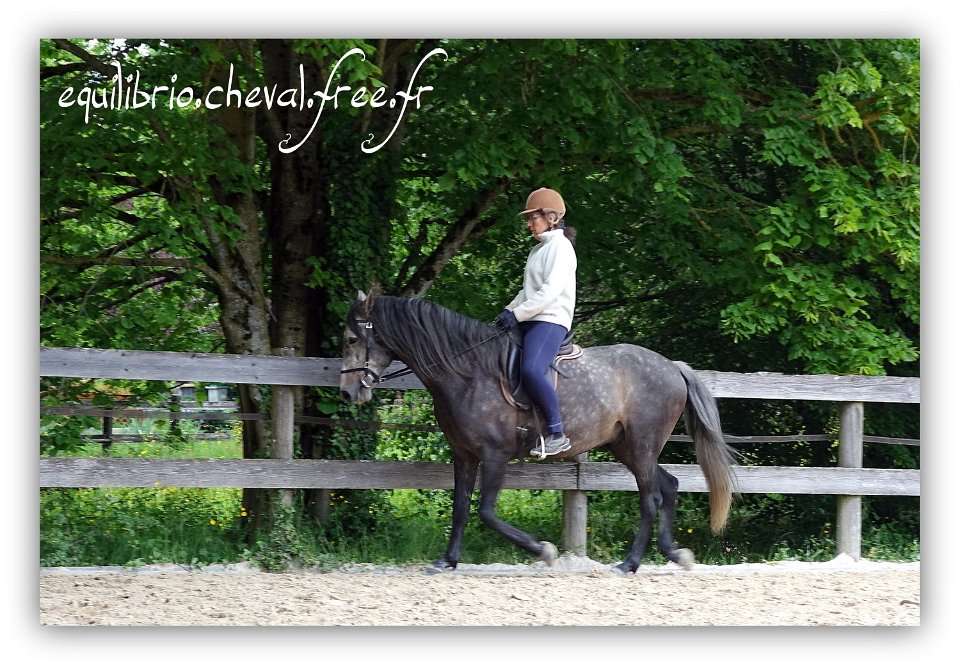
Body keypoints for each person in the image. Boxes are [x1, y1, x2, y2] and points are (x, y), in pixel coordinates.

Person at [494, 187, 577, 458]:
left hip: (551, 319)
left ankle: (557, 432)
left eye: (533, 218)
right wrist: (508, 311)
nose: (529, 224)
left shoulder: (561, 247)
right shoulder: (537, 250)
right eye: (528, 219)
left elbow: (549, 293)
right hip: (531, 316)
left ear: (551, 217)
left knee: (531, 369)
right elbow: (527, 292)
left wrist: (517, 315)